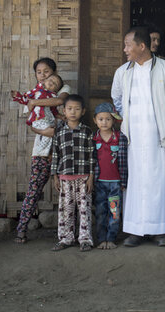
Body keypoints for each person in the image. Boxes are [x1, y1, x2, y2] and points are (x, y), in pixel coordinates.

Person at [111, 26, 165, 247]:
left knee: (159, 182)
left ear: (141, 46)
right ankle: (135, 229)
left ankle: (160, 230)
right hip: (134, 139)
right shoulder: (122, 72)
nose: (125, 49)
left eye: (128, 45)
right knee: (135, 183)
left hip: (160, 138)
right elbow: (116, 97)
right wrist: (128, 120)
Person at [13, 58, 72, 244]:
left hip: (62, 149)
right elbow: (32, 123)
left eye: (47, 71)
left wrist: (35, 101)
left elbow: (59, 100)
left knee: (68, 190)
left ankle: (70, 232)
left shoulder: (63, 86)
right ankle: (21, 229)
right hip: (41, 149)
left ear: (55, 72)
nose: (43, 75)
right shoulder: (34, 92)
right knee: (34, 190)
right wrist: (41, 130)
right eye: (39, 72)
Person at [50, 94, 96, 252]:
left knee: (85, 209)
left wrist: (91, 177)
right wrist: (55, 176)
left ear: (83, 111)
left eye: (77, 109)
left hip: (84, 177)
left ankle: (85, 239)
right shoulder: (59, 132)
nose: (73, 112)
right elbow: (55, 155)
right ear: (64, 111)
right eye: (69, 109)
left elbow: (92, 156)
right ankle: (65, 238)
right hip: (65, 177)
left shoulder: (87, 132)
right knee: (66, 209)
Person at [92, 102, 128, 250]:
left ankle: (111, 238)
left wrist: (124, 182)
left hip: (115, 183)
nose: (104, 122)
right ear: (95, 120)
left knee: (114, 212)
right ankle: (101, 239)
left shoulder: (120, 138)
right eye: (101, 119)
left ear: (113, 120)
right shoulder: (93, 139)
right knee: (100, 212)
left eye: (108, 119)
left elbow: (124, 162)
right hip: (99, 183)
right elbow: (91, 160)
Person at [11, 73, 63, 158]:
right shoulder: (36, 91)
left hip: (48, 119)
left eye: (55, 84)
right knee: (48, 131)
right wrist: (18, 96)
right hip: (38, 118)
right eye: (51, 80)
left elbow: (54, 111)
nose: (52, 82)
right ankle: (42, 152)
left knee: (49, 133)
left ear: (56, 90)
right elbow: (26, 99)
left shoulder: (53, 97)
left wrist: (61, 116)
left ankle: (44, 152)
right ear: (45, 81)